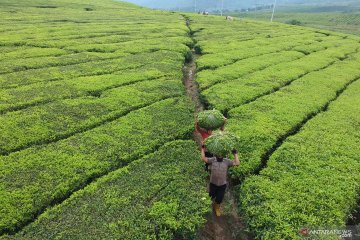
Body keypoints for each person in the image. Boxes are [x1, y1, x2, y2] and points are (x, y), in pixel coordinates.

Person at [201, 145, 240, 217]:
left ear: (223, 154)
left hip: (222, 185)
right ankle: (208, 206)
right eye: (218, 154)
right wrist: (203, 149)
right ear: (216, 154)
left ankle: (217, 208)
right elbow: (203, 158)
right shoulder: (212, 160)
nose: (220, 155)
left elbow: (237, 163)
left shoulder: (226, 161)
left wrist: (235, 154)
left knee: (219, 198)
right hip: (213, 183)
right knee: (211, 196)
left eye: (221, 154)